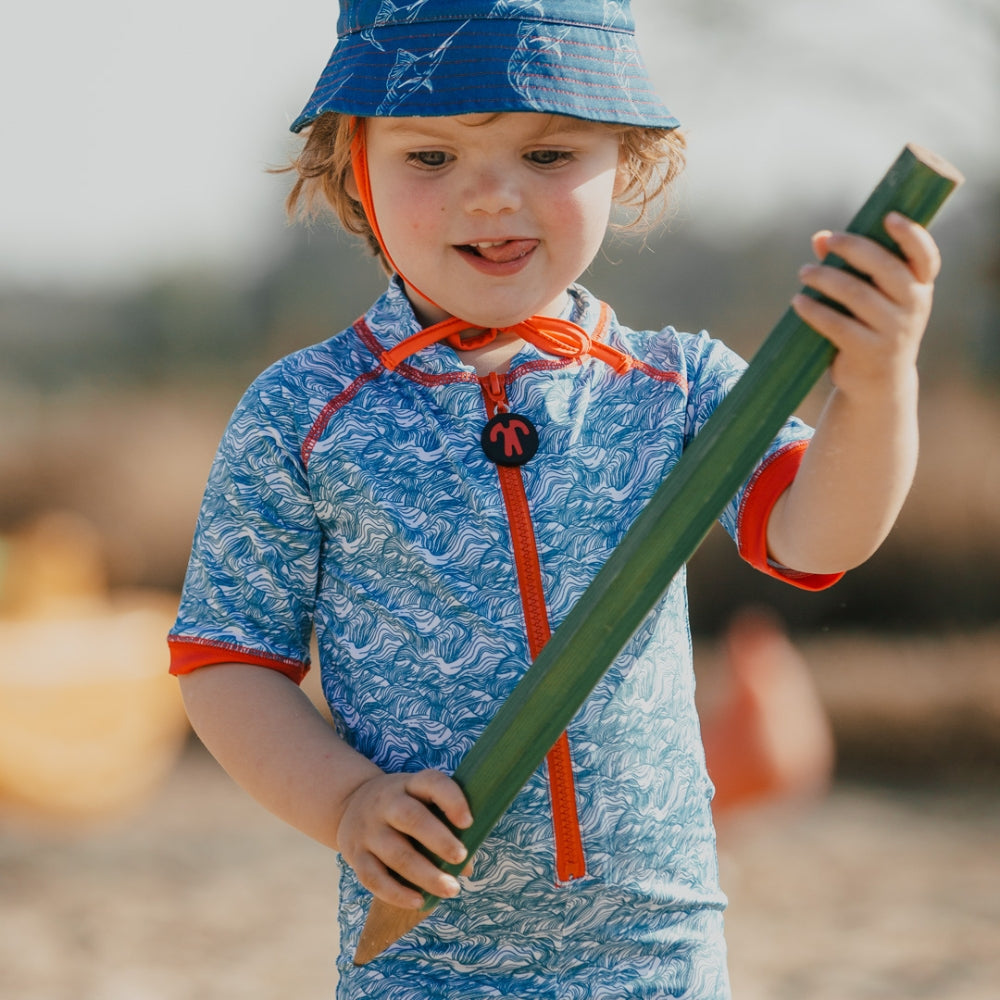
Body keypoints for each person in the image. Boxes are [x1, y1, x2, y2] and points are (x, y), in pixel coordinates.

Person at [167, 2, 941, 996]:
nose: (491, 197)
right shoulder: (304, 413)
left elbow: (814, 535)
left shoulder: (680, 385)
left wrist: (876, 388)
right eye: (431, 157)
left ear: (628, 160)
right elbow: (226, 659)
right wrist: (348, 800)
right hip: (425, 953)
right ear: (351, 167)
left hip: (655, 944)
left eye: (548, 152)